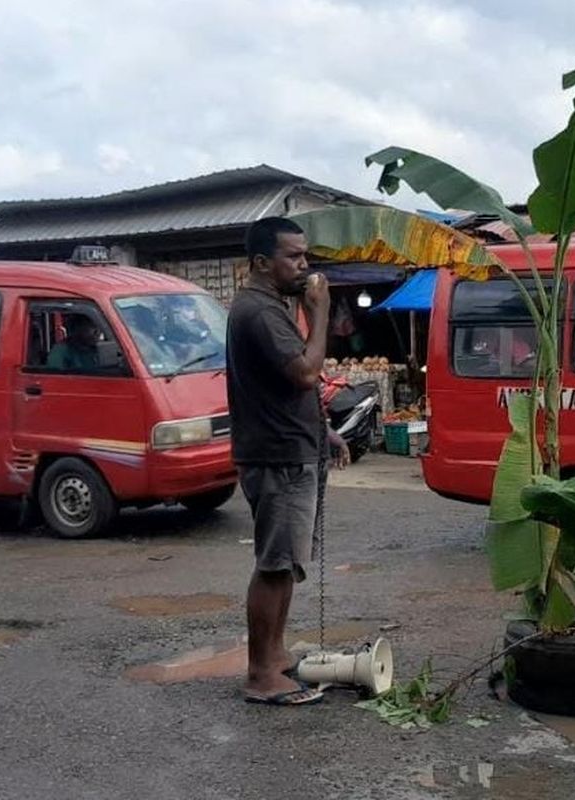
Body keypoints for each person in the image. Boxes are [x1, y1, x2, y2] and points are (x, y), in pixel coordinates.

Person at [226, 216, 348, 707]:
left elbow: (284, 388)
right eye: (293, 256)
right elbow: (304, 373)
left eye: (305, 255)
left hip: (292, 448)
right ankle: (260, 675)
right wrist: (320, 313)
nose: (304, 265)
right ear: (261, 263)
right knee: (275, 565)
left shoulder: (271, 306)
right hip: (277, 457)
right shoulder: (260, 311)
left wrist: (324, 431)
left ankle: (274, 656)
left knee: (288, 563)